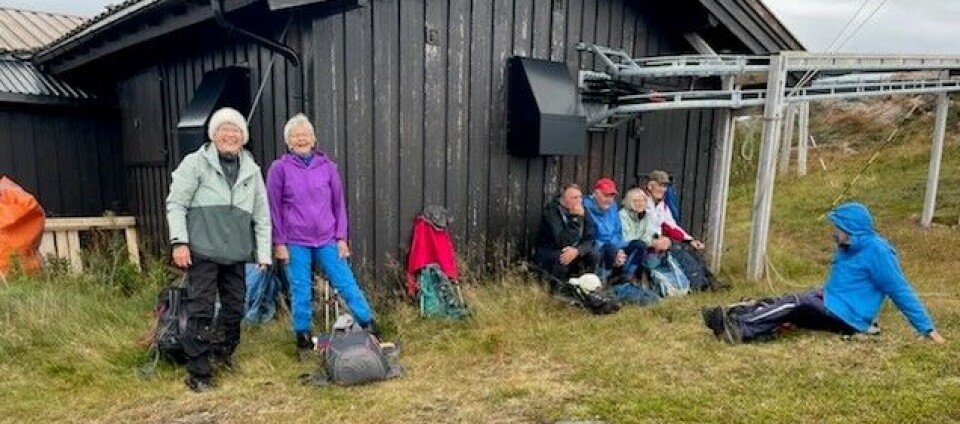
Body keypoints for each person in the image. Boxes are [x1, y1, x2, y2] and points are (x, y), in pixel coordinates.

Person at [701, 202, 945, 345]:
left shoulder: (878, 252)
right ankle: (730, 316)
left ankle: (738, 328)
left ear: (850, 229)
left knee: (797, 302)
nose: (835, 232)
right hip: (832, 303)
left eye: (838, 228)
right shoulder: (849, 246)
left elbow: (900, 291)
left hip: (849, 317)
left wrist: (928, 330)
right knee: (784, 301)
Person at [166, 107, 272, 392]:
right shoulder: (195, 163)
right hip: (202, 251)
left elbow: (262, 215)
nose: (230, 135)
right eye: (224, 129)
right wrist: (179, 242)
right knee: (201, 309)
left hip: (236, 253)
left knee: (235, 308)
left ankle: (223, 354)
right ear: (213, 134)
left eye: (236, 130)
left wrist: (263, 254)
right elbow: (176, 203)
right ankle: (199, 372)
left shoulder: (252, 170)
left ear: (243, 137)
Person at [267, 113, 379, 360]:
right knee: (300, 289)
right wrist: (279, 242)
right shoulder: (279, 169)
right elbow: (273, 208)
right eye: (295, 135)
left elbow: (338, 205)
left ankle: (369, 324)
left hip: (327, 239)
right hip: (296, 241)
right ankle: (303, 337)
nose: (301, 139)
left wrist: (341, 237)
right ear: (288, 141)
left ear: (313, 138)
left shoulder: (328, 167)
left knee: (346, 282)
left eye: (305, 134)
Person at [534, 183, 599, 292]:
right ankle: (557, 291)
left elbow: (590, 237)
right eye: (574, 198)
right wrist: (575, 219)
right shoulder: (552, 211)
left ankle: (588, 289)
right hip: (552, 250)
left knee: (594, 254)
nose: (579, 201)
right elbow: (562, 240)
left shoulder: (582, 210)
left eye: (580, 197)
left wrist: (578, 250)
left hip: (574, 249)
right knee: (563, 257)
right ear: (563, 199)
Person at [618, 188, 671, 281]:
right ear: (629, 202)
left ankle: (662, 277)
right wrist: (651, 243)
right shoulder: (622, 215)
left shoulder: (646, 215)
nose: (640, 203)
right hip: (626, 248)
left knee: (665, 244)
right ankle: (627, 276)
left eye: (643, 200)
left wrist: (658, 241)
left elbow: (650, 233)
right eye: (636, 201)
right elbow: (627, 237)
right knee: (639, 245)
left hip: (643, 246)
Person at [644, 170, 704, 250]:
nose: (663, 189)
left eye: (664, 186)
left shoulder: (662, 206)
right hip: (643, 246)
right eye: (660, 185)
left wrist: (690, 240)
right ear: (649, 186)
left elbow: (671, 226)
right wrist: (652, 242)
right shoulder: (639, 202)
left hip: (657, 246)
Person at [582, 177, 626, 280]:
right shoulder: (585, 207)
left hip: (612, 245)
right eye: (606, 195)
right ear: (596, 194)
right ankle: (602, 281)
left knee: (637, 245)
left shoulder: (613, 206)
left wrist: (618, 250)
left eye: (612, 196)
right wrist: (613, 249)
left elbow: (617, 231)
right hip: (595, 246)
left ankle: (625, 279)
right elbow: (589, 235)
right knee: (609, 250)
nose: (609, 199)